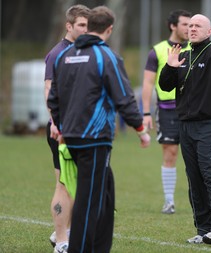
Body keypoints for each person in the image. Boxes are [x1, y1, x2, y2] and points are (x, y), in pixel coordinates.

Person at [47, 6, 151, 253]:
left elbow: (53, 98)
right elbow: (124, 97)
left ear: (88, 26)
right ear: (109, 29)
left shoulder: (65, 55)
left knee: (105, 190)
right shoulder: (107, 57)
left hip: (70, 137)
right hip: (94, 139)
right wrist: (140, 129)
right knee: (88, 200)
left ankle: (99, 247)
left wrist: (59, 126)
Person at [159, 14, 211, 246]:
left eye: (197, 26)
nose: (192, 29)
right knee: (194, 179)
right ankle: (203, 229)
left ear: (208, 31)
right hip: (186, 127)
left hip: (210, 126)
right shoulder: (182, 55)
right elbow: (165, 86)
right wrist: (169, 67)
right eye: (190, 25)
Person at [43, 4, 90, 253]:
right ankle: (61, 241)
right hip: (63, 130)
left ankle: (63, 232)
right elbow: (49, 91)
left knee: (78, 185)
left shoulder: (86, 51)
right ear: (69, 26)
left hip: (85, 130)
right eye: (81, 25)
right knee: (64, 184)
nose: (85, 29)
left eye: (88, 25)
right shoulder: (58, 53)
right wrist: (56, 124)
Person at [141, 9, 191, 214]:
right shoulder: (158, 50)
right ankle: (169, 201)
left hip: (193, 109)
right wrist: (145, 113)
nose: (189, 28)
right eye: (185, 24)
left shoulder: (197, 49)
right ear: (173, 26)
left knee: (195, 156)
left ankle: (201, 199)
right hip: (168, 109)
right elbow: (148, 83)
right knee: (170, 153)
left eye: (192, 25)